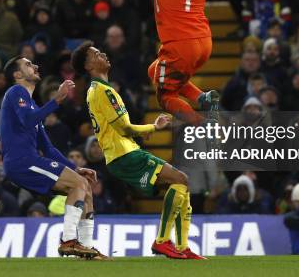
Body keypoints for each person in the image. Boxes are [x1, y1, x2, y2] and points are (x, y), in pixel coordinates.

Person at [71, 41, 205, 260]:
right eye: (96, 54)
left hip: (122, 153)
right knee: (180, 179)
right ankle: (163, 242)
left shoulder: (97, 90)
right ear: (88, 66)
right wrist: (154, 126)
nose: (103, 53)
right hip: (124, 154)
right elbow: (124, 127)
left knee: (181, 182)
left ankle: (182, 247)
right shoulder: (102, 91)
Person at [0, 56, 107, 259]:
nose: (35, 66)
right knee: (78, 185)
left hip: (29, 161)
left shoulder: (31, 105)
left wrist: (75, 169)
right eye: (28, 64)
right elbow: (26, 120)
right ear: (17, 74)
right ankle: (68, 241)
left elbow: (47, 148)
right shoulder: (16, 92)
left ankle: (86, 249)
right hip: (22, 161)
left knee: (83, 186)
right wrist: (57, 99)